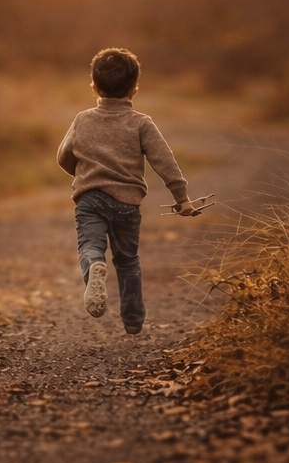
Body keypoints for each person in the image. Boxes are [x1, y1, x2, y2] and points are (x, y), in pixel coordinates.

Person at [57, 47, 197, 335]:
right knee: (127, 260)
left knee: (90, 246)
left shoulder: (82, 119)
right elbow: (164, 161)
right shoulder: (142, 123)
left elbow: (64, 155)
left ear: (94, 86)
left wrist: (82, 173)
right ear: (135, 88)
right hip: (127, 203)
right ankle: (133, 319)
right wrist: (181, 198)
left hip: (90, 197)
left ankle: (95, 265)